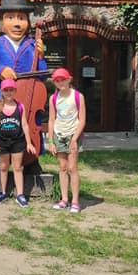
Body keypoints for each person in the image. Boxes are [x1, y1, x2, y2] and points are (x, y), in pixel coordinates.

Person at [0, 0, 47, 154]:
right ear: (2, 21)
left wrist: (41, 56)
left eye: (21, 18)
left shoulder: (32, 44)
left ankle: (31, 158)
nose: (17, 24)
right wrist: (0, 68)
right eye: (10, 18)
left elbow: (43, 74)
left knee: (28, 122)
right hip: (2, 94)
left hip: (27, 96)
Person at [0, 78, 36, 207]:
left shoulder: (20, 106)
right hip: (2, 141)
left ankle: (20, 194)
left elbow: (25, 125)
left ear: (15, 91)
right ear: (2, 91)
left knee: (18, 167)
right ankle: (2, 191)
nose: (9, 93)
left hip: (17, 141)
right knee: (3, 167)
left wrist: (28, 143)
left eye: (11, 90)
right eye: (6, 90)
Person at [47, 68, 86, 213]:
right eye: (57, 81)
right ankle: (64, 199)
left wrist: (75, 139)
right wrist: (50, 141)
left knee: (72, 168)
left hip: (72, 135)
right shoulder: (53, 98)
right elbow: (51, 120)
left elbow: (82, 120)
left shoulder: (77, 96)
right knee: (62, 168)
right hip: (59, 135)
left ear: (69, 79)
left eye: (62, 79)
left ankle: (75, 201)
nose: (60, 83)